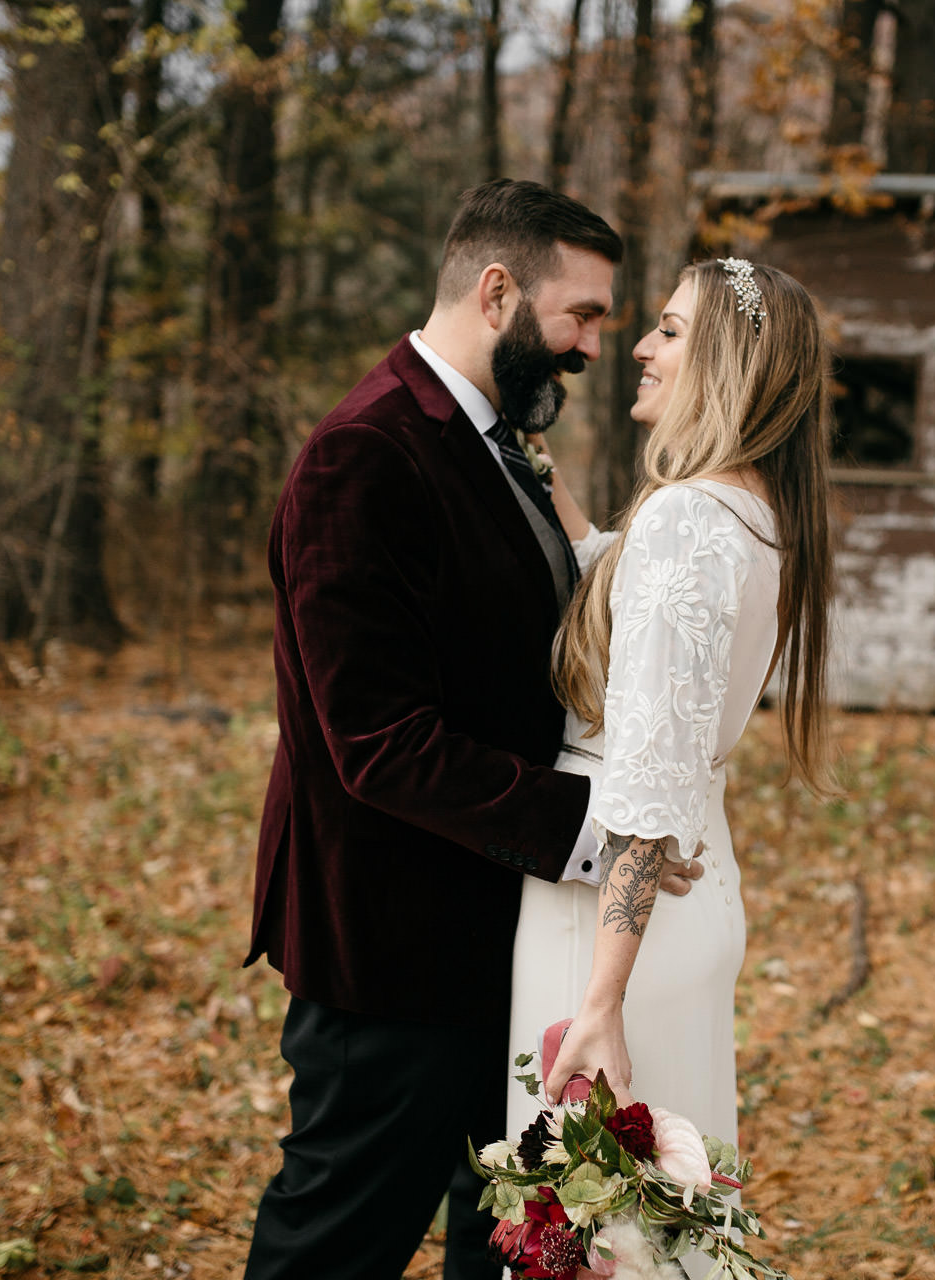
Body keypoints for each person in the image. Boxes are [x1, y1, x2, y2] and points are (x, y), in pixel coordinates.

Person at [242, 180, 701, 1280]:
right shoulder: (366, 454)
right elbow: (379, 742)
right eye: (581, 314)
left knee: (498, 1248)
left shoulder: (490, 439)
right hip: (390, 953)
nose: (595, 345)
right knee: (334, 1247)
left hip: (495, 936)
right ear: (497, 292)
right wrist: (599, 826)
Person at [504, 259, 834, 1164]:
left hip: (611, 923)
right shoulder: (752, 512)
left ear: (731, 365)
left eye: (672, 331)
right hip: (691, 895)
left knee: (590, 1216)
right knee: (661, 1214)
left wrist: (601, 1001)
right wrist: (539, 472)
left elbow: (648, 785)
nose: (643, 347)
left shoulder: (685, 519)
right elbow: (625, 588)